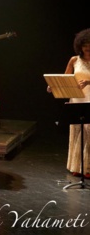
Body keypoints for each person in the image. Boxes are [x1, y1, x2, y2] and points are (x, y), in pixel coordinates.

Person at [60, 28, 90, 178]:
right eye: (85, 44)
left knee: (89, 133)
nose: (87, 47)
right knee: (77, 132)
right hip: (77, 98)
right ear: (80, 45)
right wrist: (53, 86)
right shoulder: (74, 60)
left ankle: (88, 167)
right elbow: (65, 79)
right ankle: (77, 166)